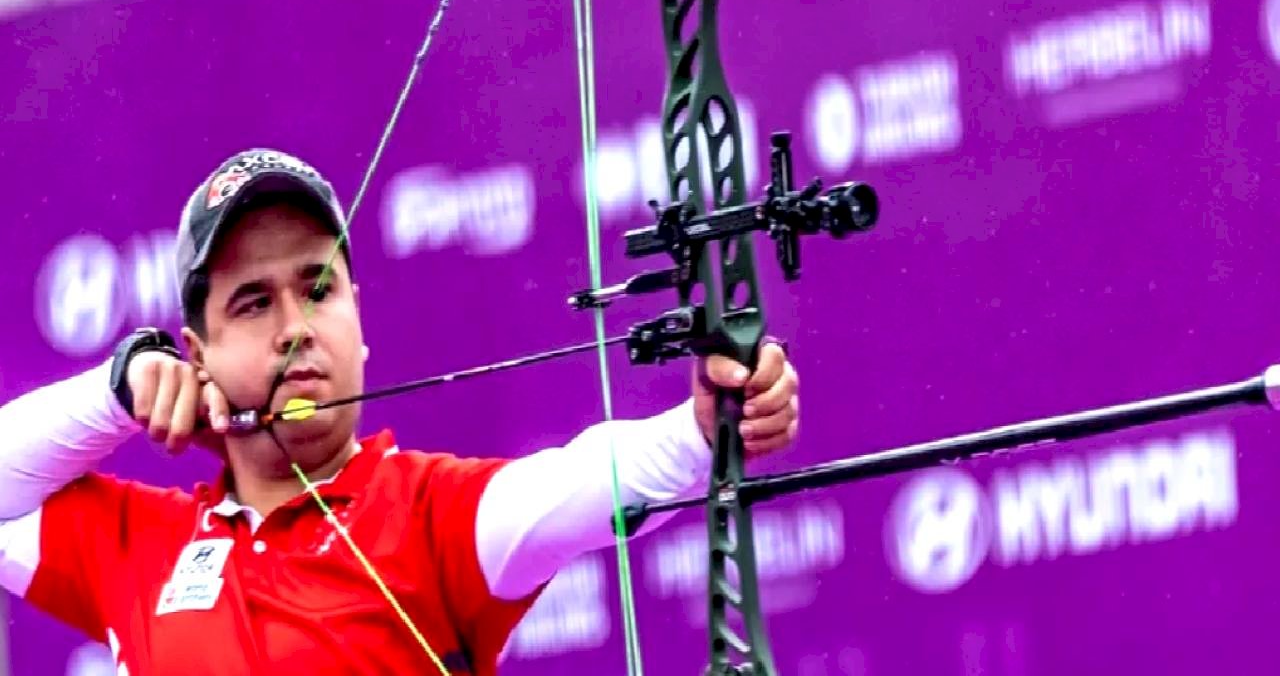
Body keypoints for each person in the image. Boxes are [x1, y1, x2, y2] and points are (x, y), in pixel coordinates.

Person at [0, 148, 801, 675]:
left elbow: (588, 478)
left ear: (359, 315)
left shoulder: (431, 516)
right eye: (252, 304)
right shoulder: (138, 547)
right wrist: (119, 384)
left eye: (319, 289)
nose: (294, 328)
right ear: (197, 353)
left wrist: (707, 426)